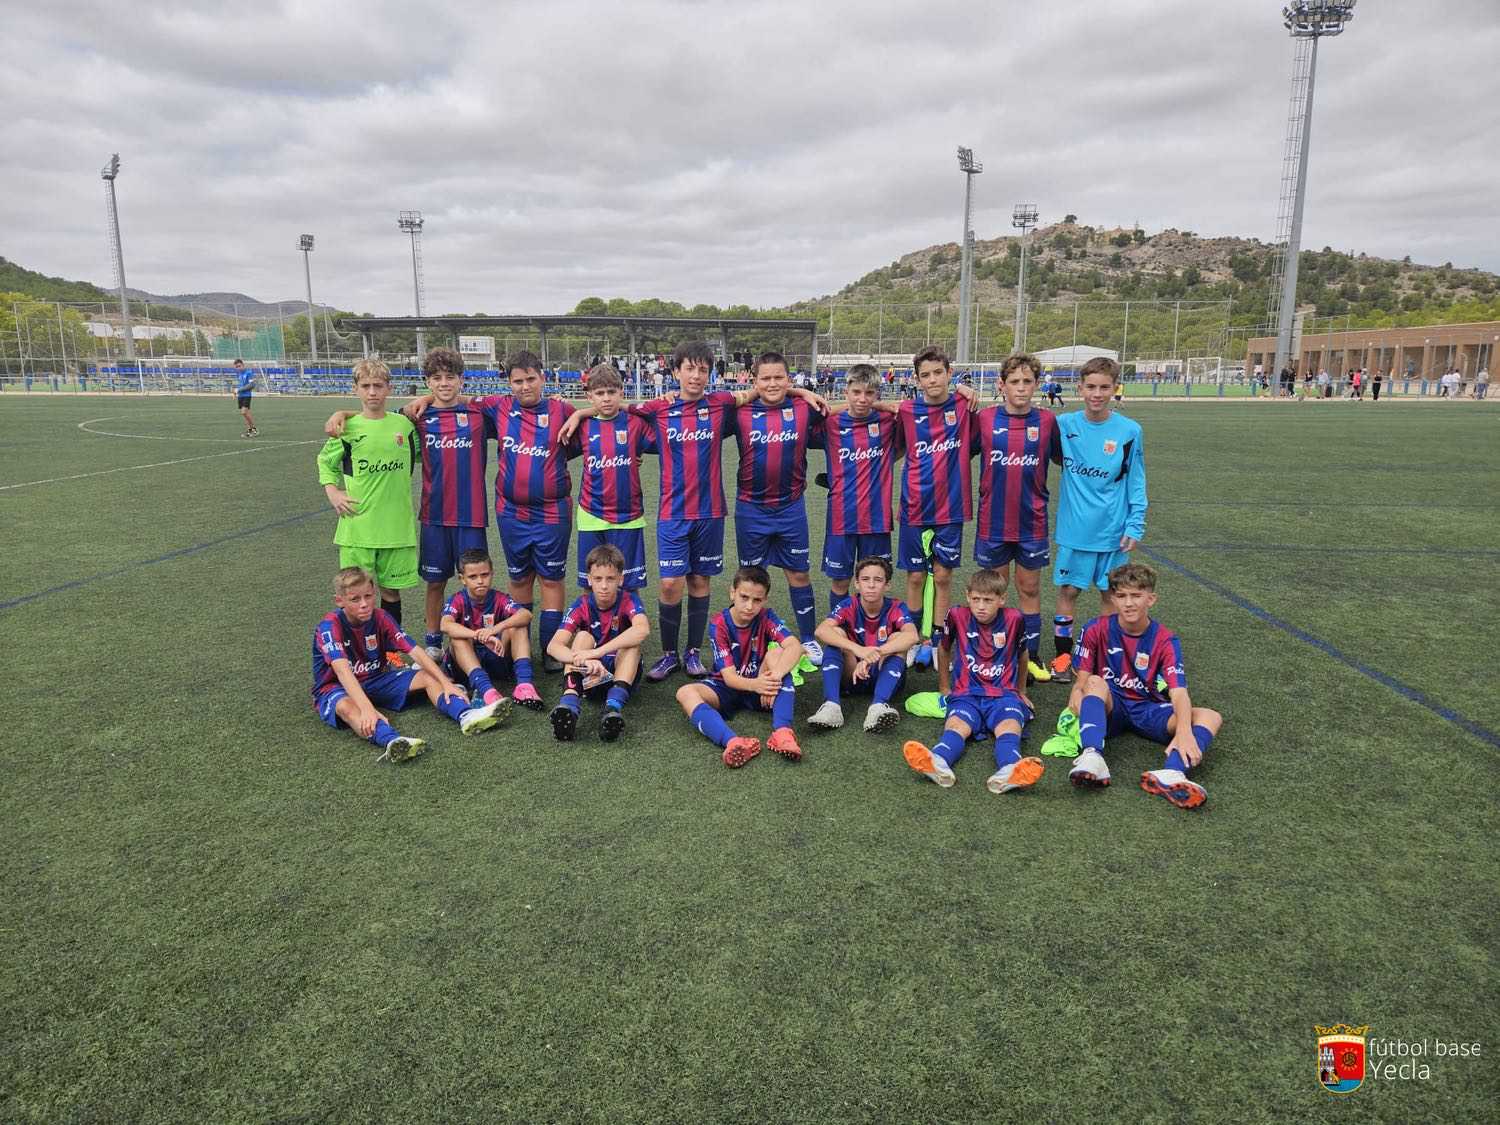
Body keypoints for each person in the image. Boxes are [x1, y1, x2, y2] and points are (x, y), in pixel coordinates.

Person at [405, 351, 578, 672]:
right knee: (519, 578)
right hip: (510, 512)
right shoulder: (497, 407)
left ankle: (550, 650)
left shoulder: (563, 410)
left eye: (531, 379)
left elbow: (593, 434)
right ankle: (516, 647)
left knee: (552, 579)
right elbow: (450, 398)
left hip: (553, 512)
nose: (525, 386)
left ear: (543, 378)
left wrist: (586, 414)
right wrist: (426, 398)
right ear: (508, 383)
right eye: (518, 381)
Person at [326, 347, 496, 663]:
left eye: (450, 377)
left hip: (471, 515)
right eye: (436, 378)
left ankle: (476, 639)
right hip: (433, 515)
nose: (444, 383)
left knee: (477, 581)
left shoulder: (478, 415)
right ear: (427, 381)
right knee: (435, 582)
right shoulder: (416, 418)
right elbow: (374, 415)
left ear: (461, 379)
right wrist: (343, 414)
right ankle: (432, 642)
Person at [1063, 563, 1222, 810]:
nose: (1128, 603)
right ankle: (1092, 756)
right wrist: (1077, 693)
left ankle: (1172, 772)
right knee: (1095, 682)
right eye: (1121, 596)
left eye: (1136, 595)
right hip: (1111, 707)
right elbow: (1082, 680)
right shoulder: (1095, 628)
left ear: (1151, 599)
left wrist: (1184, 731)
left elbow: (1179, 692)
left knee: (1210, 716)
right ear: (1113, 599)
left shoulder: (1165, 639)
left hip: (1147, 707)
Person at [312, 567, 506, 763]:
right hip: (337, 687)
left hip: (376, 678)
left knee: (428, 676)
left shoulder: (381, 617)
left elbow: (415, 652)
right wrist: (366, 708)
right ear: (340, 601)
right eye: (355, 599)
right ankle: (393, 741)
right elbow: (343, 672)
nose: (364, 604)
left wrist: (446, 683)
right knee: (347, 707)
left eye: (368, 596)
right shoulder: (329, 627)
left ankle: (467, 715)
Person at [1049, 356, 1147, 685]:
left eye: (1104, 387)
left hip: (1113, 532)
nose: (1097, 394)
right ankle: (1063, 658)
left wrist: (1135, 523)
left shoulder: (1130, 431)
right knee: (1068, 592)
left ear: (1115, 388)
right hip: (1074, 531)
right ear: (1079, 388)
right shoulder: (1064, 425)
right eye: (1090, 387)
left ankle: (1103, 657)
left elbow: (1136, 480)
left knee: (1110, 595)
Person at [901, 568, 1041, 794]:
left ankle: (1010, 769)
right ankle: (938, 761)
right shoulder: (956, 615)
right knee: (957, 725)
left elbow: (1022, 654)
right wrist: (944, 687)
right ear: (967, 596)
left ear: (1002, 599)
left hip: (1003, 694)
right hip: (966, 693)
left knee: (1009, 726)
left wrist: (1021, 691)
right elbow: (944, 648)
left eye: (988, 600)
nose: (981, 606)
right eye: (976, 599)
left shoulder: (1015, 619)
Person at [729, 351, 829, 670]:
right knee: (751, 579)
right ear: (754, 381)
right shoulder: (739, 412)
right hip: (751, 509)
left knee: (799, 573)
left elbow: (845, 412)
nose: (772, 384)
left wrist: (803, 393)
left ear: (789, 379)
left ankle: (808, 638)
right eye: (765, 378)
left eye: (779, 378)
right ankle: (751, 639)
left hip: (790, 508)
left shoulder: (804, 408)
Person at [971, 353, 1063, 683]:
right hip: (993, 522)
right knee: (993, 592)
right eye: (1014, 381)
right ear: (1002, 385)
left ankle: (1031, 655)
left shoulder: (1048, 421)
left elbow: (1062, 459)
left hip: (1031, 522)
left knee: (1029, 588)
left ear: (1037, 385)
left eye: (1027, 381)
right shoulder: (984, 419)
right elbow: (961, 452)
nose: (1021, 388)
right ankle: (993, 653)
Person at [316, 359, 420, 630]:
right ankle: (357, 648)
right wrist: (333, 492)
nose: (372, 392)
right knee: (354, 595)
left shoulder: (405, 426)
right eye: (365, 386)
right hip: (358, 528)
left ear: (389, 388)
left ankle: (390, 647)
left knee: (391, 593)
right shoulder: (347, 428)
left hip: (396, 527)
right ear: (356, 389)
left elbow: (424, 452)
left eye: (378, 385)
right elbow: (325, 462)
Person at [675, 565, 804, 768]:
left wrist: (775, 676)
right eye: (744, 597)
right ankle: (733, 742)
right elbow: (729, 678)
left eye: (757, 600)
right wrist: (757, 685)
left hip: (761, 685)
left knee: (777, 655)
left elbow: (795, 646)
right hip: (727, 687)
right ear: (732, 592)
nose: (749, 606)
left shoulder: (766, 617)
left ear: (765, 600)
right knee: (685, 692)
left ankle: (782, 733)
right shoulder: (719, 624)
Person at [894, 345, 976, 664]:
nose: (932, 380)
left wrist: (965, 390)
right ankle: (913, 638)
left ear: (949, 373)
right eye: (925, 375)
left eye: (938, 373)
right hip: (914, 503)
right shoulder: (907, 410)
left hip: (951, 505)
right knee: (915, 576)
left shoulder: (964, 405)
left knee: (942, 576)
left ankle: (940, 640)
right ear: (917, 380)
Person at [818, 364, 902, 610]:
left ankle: (870, 626)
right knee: (840, 580)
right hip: (841, 517)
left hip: (876, 518)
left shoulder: (888, 421)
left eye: (869, 393)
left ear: (877, 394)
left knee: (874, 581)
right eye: (856, 392)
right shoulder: (830, 423)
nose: (862, 399)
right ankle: (840, 626)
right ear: (846, 392)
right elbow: (810, 409)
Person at [546, 544, 650, 742]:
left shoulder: (629, 600)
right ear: (589, 579)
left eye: (610, 579)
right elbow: (554, 646)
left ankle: (612, 709)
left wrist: (596, 653)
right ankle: (569, 706)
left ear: (620, 579)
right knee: (583, 637)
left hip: (622, 676)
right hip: (589, 675)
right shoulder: (581, 604)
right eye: (598, 579)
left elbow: (642, 629)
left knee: (632, 645)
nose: (604, 586)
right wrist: (584, 660)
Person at [568, 363, 655, 593]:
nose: (606, 398)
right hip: (591, 513)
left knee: (628, 583)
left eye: (611, 392)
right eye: (599, 393)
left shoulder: (635, 423)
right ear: (589, 396)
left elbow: (662, 436)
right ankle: (592, 617)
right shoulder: (583, 426)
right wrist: (579, 413)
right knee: (592, 583)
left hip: (629, 515)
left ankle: (630, 617)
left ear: (621, 392)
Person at [809, 555, 919, 733]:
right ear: (857, 584)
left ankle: (878, 706)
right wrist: (858, 649)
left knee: (898, 638)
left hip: (883, 672)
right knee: (835, 634)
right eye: (865, 579)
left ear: (887, 585)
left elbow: (912, 636)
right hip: (852, 674)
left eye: (878, 580)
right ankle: (831, 706)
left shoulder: (897, 607)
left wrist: (874, 654)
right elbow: (821, 631)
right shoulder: (848, 605)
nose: (871, 585)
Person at [441, 548, 537, 713]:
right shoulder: (457, 600)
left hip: (496, 654)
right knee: (458, 638)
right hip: (465, 665)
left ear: (492, 574)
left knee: (518, 626)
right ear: (462, 579)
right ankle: (487, 691)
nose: (480, 581)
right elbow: (445, 625)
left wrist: (494, 630)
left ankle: (524, 686)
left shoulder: (499, 598)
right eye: (473, 577)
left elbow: (526, 614)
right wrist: (477, 635)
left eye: (485, 575)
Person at [233, 359, 258, 437]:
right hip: (240, 396)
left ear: (243, 365)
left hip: (246, 395)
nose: (238, 368)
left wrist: (239, 390)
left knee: (243, 412)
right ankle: (249, 430)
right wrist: (235, 392)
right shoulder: (240, 374)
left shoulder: (249, 373)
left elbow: (252, 385)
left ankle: (254, 429)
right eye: (236, 367)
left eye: (239, 366)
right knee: (246, 414)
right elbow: (241, 385)